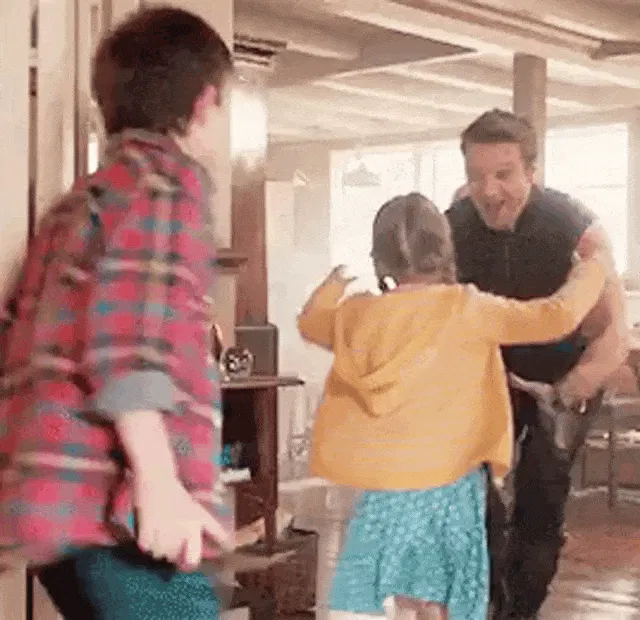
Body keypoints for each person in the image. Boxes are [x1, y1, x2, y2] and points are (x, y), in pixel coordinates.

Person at [0, 7, 234, 619]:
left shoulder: (73, 208)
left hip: (55, 513)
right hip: (118, 514)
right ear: (205, 104)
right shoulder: (164, 187)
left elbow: (13, 337)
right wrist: (158, 482)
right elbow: (126, 341)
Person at [297, 192, 607, 620]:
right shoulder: (467, 309)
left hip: (386, 490)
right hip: (449, 486)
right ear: (445, 250)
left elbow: (311, 324)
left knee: (396, 594)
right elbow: (556, 315)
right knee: (441, 599)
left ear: (380, 259)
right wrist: (594, 266)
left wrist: (332, 286)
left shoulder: (358, 316)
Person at [445, 109, 629, 620]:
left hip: (564, 379)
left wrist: (565, 392)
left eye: (504, 174)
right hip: (491, 379)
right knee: (471, 500)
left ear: (532, 172)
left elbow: (615, 335)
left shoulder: (577, 229)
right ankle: (485, 601)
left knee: (539, 503)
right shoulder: (452, 225)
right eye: (477, 176)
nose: (489, 191)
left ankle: (519, 613)